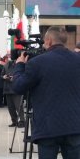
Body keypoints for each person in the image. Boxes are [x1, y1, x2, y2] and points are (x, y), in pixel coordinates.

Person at [13, 26, 80, 159]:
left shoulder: (37, 63)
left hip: (47, 128)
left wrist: (20, 66)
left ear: (48, 40)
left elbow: (19, 87)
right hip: (74, 126)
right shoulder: (77, 59)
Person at [1, 60, 25, 127]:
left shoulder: (19, 65)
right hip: (7, 89)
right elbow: (1, 75)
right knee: (10, 107)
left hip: (16, 89)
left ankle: (22, 121)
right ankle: (14, 121)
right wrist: (3, 77)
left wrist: (14, 78)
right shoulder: (5, 65)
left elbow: (23, 75)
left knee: (19, 106)